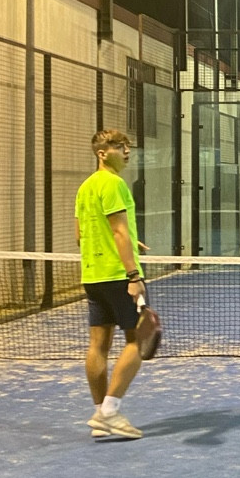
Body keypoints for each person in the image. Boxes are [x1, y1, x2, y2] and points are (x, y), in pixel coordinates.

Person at [74, 128, 147, 440]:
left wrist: (131, 241)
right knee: (140, 340)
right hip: (119, 276)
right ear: (102, 153)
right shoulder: (114, 184)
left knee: (98, 345)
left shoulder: (85, 188)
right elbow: (118, 231)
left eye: (128, 146)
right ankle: (109, 412)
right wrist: (133, 276)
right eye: (120, 146)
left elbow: (81, 235)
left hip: (93, 276)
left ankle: (98, 412)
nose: (127, 151)